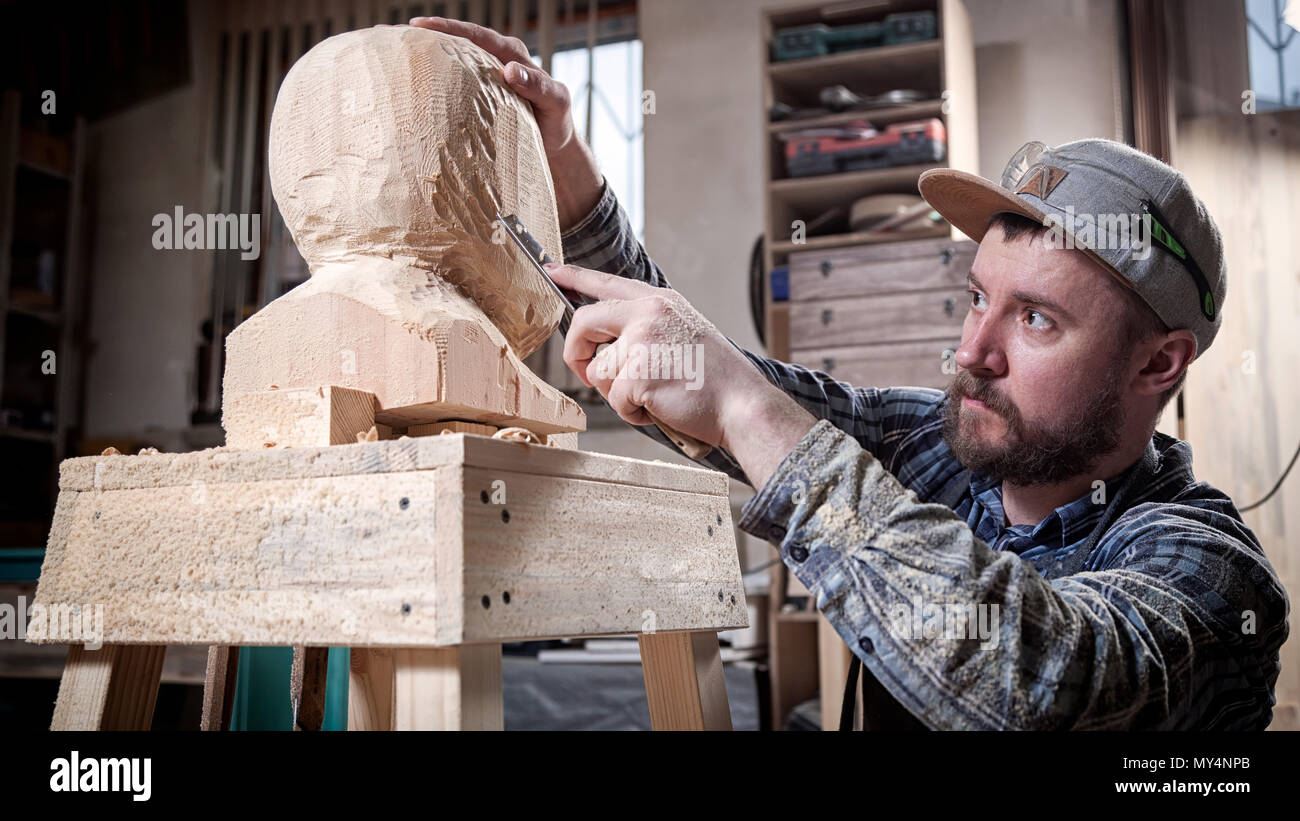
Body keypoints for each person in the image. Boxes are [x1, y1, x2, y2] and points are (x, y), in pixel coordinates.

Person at [408, 16, 1289, 730]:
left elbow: (1035, 683)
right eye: (977, 297)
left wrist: (747, 406)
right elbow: (707, 389)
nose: (973, 353)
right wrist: (566, 169)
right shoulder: (935, 448)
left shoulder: (1205, 569)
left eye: (1034, 319)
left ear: (1158, 363)